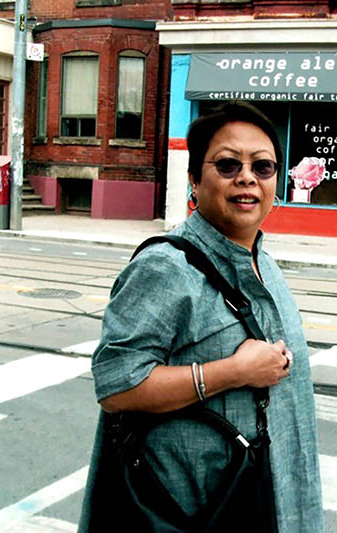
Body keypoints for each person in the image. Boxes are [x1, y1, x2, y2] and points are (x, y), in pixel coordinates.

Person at [78, 101, 324, 532]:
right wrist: (234, 371)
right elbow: (117, 385)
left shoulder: (264, 265)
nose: (247, 177)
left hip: (266, 499)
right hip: (197, 512)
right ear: (194, 179)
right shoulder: (167, 268)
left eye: (263, 167)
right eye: (228, 164)